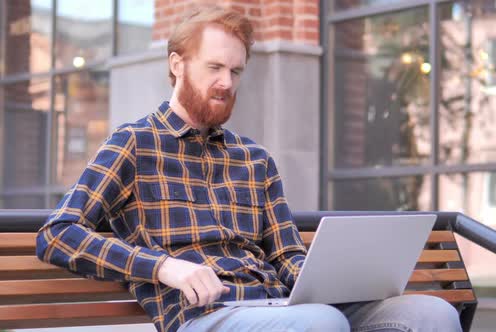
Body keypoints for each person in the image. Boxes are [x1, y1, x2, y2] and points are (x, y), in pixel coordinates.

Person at [36, 5, 461, 332]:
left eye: (236, 71)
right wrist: (164, 266)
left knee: (430, 313)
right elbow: (58, 234)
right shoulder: (133, 143)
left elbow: (286, 254)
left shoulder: (254, 159)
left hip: (277, 307)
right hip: (204, 314)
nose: (226, 82)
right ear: (177, 64)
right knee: (320, 324)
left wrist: (337, 281)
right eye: (214, 67)